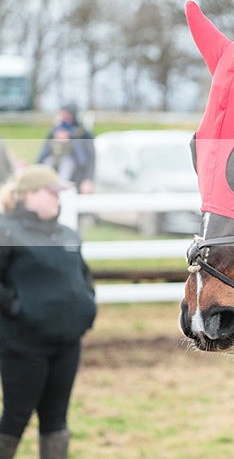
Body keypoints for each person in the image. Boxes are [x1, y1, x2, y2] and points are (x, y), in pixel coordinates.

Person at [0, 165, 97, 459]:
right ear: (28, 195)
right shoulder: (6, 232)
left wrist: (87, 306)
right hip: (23, 345)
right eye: (51, 193)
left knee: (56, 419)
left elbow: (82, 276)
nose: (59, 199)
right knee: (17, 416)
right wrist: (18, 308)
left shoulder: (67, 234)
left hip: (67, 343)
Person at [36, 104, 95, 194]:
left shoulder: (83, 133)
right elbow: (43, 155)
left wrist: (88, 180)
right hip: (52, 174)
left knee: (67, 163)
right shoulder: (54, 131)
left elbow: (89, 159)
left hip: (76, 177)